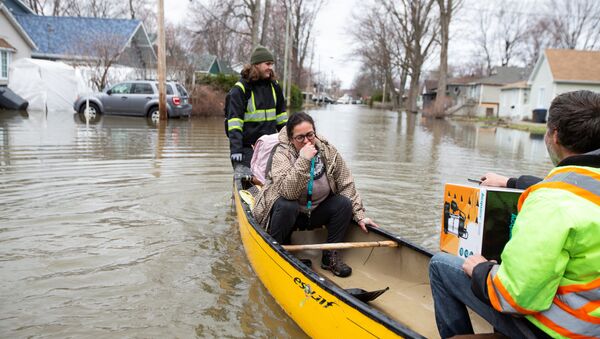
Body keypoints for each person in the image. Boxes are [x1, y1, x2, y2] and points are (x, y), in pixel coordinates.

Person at [429, 90, 600, 338]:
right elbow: (573, 184)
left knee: (440, 264)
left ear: (554, 135)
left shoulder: (549, 202)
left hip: (562, 331)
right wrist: (510, 181)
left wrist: (481, 270)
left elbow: (516, 297)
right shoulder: (583, 188)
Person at [252, 112, 378, 278]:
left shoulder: (328, 151)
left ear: (315, 133)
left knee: (343, 203)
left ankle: (329, 255)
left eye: (310, 135)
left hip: (316, 212)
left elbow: (345, 183)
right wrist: (304, 159)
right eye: (300, 137)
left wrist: (360, 216)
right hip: (290, 214)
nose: (306, 141)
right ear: (291, 139)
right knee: (287, 204)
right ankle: (280, 251)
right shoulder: (281, 154)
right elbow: (288, 191)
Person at [225, 45, 288, 167]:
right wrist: (236, 150)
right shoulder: (240, 89)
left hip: (270, 147)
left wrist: (290, 143)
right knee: (249, 184)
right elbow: (234, 124)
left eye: (271, 64)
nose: (270, 68)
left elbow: (282, 121)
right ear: (256, 65)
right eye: (267, 64)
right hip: (247, 149)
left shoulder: (274, 87)